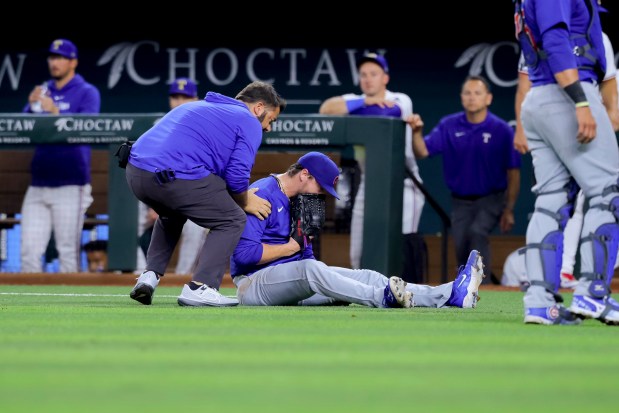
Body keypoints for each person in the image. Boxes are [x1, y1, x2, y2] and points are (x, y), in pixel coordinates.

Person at [229, 151, 485, 308]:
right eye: (321, 187)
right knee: (312, 270)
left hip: (289, 284)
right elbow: (243, 257)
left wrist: (308, 258)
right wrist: (291, 248)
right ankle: (382, 299)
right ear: (305, 174)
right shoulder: (263, 193)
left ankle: (450, 294)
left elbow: (305, 259)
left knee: (366, 276)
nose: (323, 195)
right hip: (252, 285)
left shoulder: (302, 201)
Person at [127, 80, 286, 307]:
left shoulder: (195, 106)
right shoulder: (249, 120)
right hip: (175, 176)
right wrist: (245, 201)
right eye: (271, 119)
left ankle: (149, 277)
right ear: (259, 108)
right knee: (232, 218)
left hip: (136, 174)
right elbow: (237, 177)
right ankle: (202, 286)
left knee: (172, 211)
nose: (269, 127)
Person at [514, 0, 619, 325]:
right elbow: (555, 39)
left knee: (551, 201)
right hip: (565, 94)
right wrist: (581, 101)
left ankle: (540, 302)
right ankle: (593, 292)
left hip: (540, 98)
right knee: (609, 193)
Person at [318, 52, 427, 283]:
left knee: (402, 246)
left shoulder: (400, 99)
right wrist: (363, 102)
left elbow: (388, 111)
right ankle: (367, 294)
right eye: (364, 74)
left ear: (385, 78)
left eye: (374, 74)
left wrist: (355, 108)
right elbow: (326, 109)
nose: (368, 79)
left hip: (404, 181)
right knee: (358, 254)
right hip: (370, 181)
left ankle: (410, 294)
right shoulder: (357, 99)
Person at [408, 75, 521, 284]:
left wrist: (509, 209)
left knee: (477, 233)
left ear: (488, 98)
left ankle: (483, 289)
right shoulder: (449, 125)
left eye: (477, 93)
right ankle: (465, 287)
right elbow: (422, 151)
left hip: (492, 198)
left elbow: (513, 172)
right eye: (467, 93)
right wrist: (417, 132)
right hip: (460, 200)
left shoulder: (502, 130)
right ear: (461, 98)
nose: (472, 98)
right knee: (461, 244)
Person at [20, 38, 101, 273]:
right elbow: (23, 130)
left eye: (60, 58)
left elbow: (89, 130)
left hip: (71, 182)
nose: (54, 62)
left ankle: (72, 307)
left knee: (68, 251)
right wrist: (31, 106)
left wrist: (55, 113)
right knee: (28, 251)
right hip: (38, 183)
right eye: (52, 57)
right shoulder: (42, 91)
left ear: (73, 62)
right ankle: (29, 308)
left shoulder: (87, 92)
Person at [136, 77, 208, 275]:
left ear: (196, 99)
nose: (179, 101)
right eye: (175, 97)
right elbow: (146, 163)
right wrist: (155, 202)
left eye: (185, 97)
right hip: (155, 194)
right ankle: (142, 273)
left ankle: (181, 278)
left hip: (189, 196)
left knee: (195, 228)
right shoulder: (158, 125)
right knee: (127, 225)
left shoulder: (204, 128)